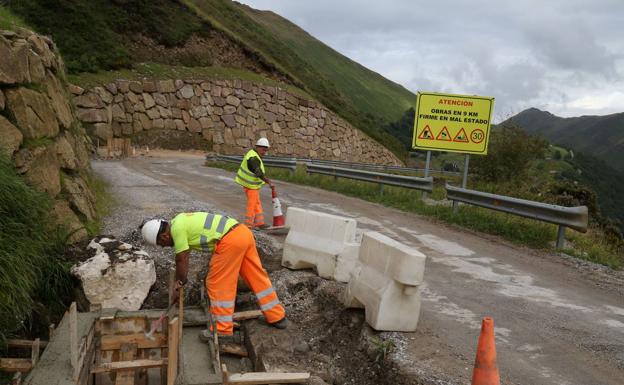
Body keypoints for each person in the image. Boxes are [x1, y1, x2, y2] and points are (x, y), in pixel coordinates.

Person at [141, 212, 287, 339]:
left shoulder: (177, 230)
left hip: (229, 241)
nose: (164, 247)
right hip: (242, 233)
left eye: (161, 244)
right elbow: (185, 256)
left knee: (216, 283)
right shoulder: (180, 220)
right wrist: (181, 281)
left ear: (164, 236)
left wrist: (179, 283)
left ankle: (222, 330)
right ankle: (276, 316)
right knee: (255, 276)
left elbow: (181, 258)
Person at [235, 138, 274, 228]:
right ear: (257, 147)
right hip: (250, 185)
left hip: (252, 185)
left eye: (266, 150)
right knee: (252, 204)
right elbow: (258, 172)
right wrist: (267, 181)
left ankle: (259, 223)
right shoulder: (253, 157)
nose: (264, 152)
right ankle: (248, 224)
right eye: (263, 150)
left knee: (256, 203)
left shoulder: (254, 154)